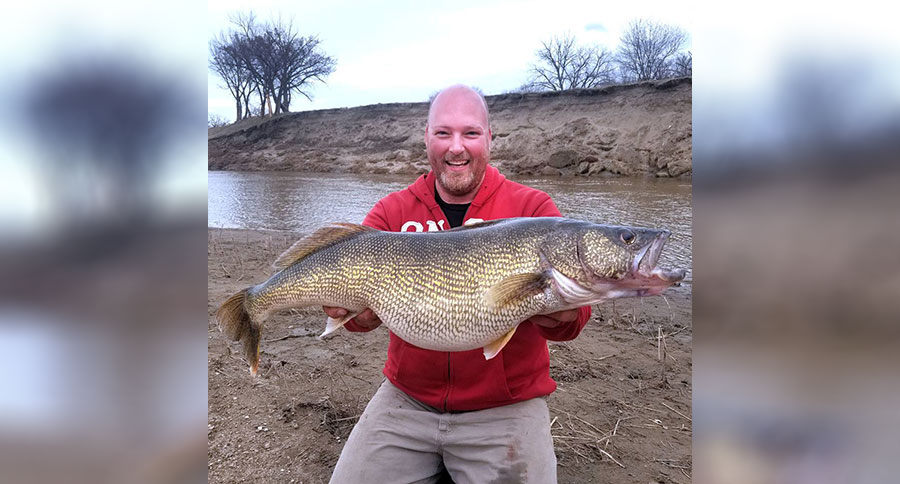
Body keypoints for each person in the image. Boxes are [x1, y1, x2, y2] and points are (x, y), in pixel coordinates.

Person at [324, 85, 591, 483]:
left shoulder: (533, 210)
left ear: (489, 139)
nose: (456, 148)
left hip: (507, 406)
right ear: (426, 138)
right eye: (443, 133)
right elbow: (362, 321)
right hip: (407, 399)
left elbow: (574, 322)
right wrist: (353, 315)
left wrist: (557, 305)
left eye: (470, 133)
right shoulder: (392, 212)